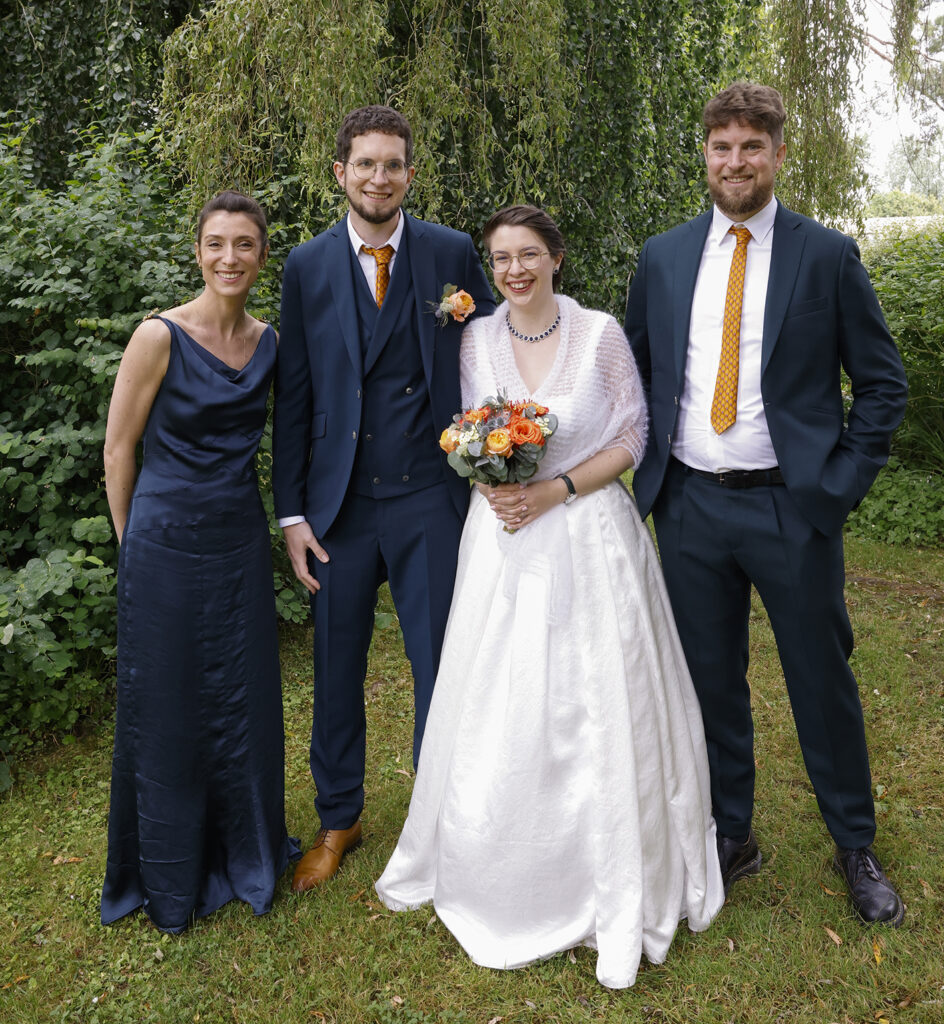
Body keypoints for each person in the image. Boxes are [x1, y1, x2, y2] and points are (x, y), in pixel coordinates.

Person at [376, 205, 724, 990]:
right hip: (502, 541)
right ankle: (500, 862)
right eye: (501, 258)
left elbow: (632, 436)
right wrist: (494, 481)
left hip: (590, 535)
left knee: (599, 698)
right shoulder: (476, 338)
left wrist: (557, 489)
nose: (515, 271)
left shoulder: (599, 334)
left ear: (556, 258)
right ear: (489, 269)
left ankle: (602, 870)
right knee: (500, 695)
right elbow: (472, 428)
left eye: (529, 254)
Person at [624, 83, 908, 926]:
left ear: (779, 155)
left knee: (820, 680)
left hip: (792, 506)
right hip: (690, 509)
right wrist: (648, 483)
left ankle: (853, 842)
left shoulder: (826, 257)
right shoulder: (665, 257)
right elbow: (636, 379)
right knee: (710, 683)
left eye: (752, 147)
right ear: (704, 156)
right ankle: (729, 836)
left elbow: (883, 385)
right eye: (722, 147)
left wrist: (839, 485)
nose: (736, 162)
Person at [273, 105, 496, 892]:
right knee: (336, 668)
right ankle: (340, 818)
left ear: (409, 171)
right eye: (364, 164)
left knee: (441, 662)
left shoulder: (450, 253)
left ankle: (443, 820)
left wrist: (499, 457)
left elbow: (492, 361)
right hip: (338, 511)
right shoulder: (305, 265)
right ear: (340, 173)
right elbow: (294, 394)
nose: (379, 177)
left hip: (430, 499)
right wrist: (292, 513)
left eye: (393, 164)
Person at [101, 191, 298, 932]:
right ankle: (167, 867)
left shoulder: (269, 342)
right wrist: (133, 544)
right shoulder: (159, 336)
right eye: (216, 243)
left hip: (236, 540)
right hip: (162, 541)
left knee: (240, 695)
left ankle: (245, 847)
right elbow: (119, 449)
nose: (229, 258)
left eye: (244, 244)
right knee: (169, 701)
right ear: (197, 252)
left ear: (261, 255)